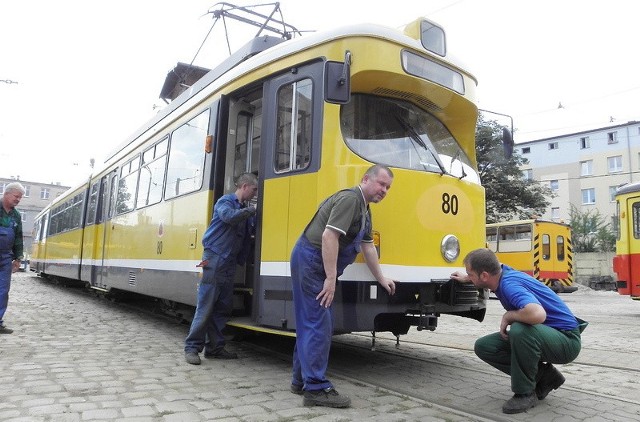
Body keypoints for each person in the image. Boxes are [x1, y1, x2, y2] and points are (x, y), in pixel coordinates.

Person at [290, 164, 397, 408]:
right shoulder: (350, 199)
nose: (384, 190)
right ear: (366, 179)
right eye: (381, 184)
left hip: (315, 263)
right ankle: (315, 388)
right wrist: (330, 279)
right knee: (318, 323)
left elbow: (368, 247)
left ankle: (300, 380)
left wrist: (381, 278)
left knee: (314, 321)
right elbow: (329, 236)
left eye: (388, 187)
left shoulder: (365, 210)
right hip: (312, 262)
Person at [450, 248, 587, 414]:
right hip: (548, 334)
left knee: (520, 330)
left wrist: (509, 316)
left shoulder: (509, 285)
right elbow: (494, 264)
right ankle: (545, 377)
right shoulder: (502, 273)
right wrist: (468, 278)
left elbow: (537, 314)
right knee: (485, 346)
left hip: (566, 340)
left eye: (470, 274)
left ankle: (525, 394)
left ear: (484, 276)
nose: (469, 276)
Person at [184, 173, 258, 365]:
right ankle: (192, 348)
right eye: (254, 189)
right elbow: (228, 217)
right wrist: (252, 211)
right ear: (244, 186)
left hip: (228, 263)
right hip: (214, 258)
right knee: (206, 304)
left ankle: (215, 348)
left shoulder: (244, 210)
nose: (255, 193)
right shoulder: (225, 202)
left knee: (223, 307)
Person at [0, 182, 25, 334]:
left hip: (5, 257)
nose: (18, 200)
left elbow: (18, 238)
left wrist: (18, 258)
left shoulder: (16, 215)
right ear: (7, 194)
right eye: (16, 196)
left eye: (20, 198)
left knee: (3, 290)